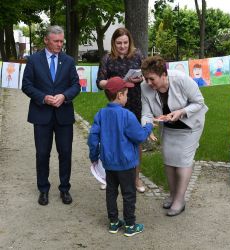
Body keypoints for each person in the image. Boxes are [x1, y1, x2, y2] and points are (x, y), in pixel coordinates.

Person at [141, 56, 208, 216]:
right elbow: (146, 113)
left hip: (191, 125)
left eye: (152, 79)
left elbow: (199, 102)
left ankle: (179, 200)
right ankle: (172, 195)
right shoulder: (144, 87)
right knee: (169, 160)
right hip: (170, 127)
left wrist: (182, 112)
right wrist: (147, 128)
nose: (148, 83)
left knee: (183, 160)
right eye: (146, 78)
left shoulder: (182, 80)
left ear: (164, 74)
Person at [22, 25, 80, 206]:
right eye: (56, 41)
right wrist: (43, 98)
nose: (59, 44)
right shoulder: (33, 60)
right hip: (41, 115)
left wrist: (64, 96)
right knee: (42, 154)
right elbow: (27, 85)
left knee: (65, 153)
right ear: (46, 40)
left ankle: (65, 189)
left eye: (62, 41)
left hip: (63, 115)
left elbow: (76, 85)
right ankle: (43, 190)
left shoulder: (69, 61)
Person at [88, 76, 153, 236]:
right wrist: (149, 127)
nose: (127, 97)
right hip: (126, 164)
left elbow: (92, 138)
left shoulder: (101, 114)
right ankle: (130, 225)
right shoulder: (128, 115)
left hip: (109, 163)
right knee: (129, 193)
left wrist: (94, 156)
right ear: (119, 95)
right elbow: (138, 137)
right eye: (126, 94)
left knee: (111, 192)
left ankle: (113, 223)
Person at [96, 27, 146, 192]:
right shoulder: (108, 59)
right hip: (115, 105)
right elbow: (100, 82)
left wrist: (140, 77)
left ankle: (136, 178)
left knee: (136, 140)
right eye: (119, 43)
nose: (123, 46)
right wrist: (114, 82)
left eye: (125, 42)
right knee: (111, 139)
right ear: (113, 43)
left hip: (134, 103)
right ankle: (107, 176)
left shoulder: (138, 55)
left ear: (129, 41)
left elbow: (146, 74)